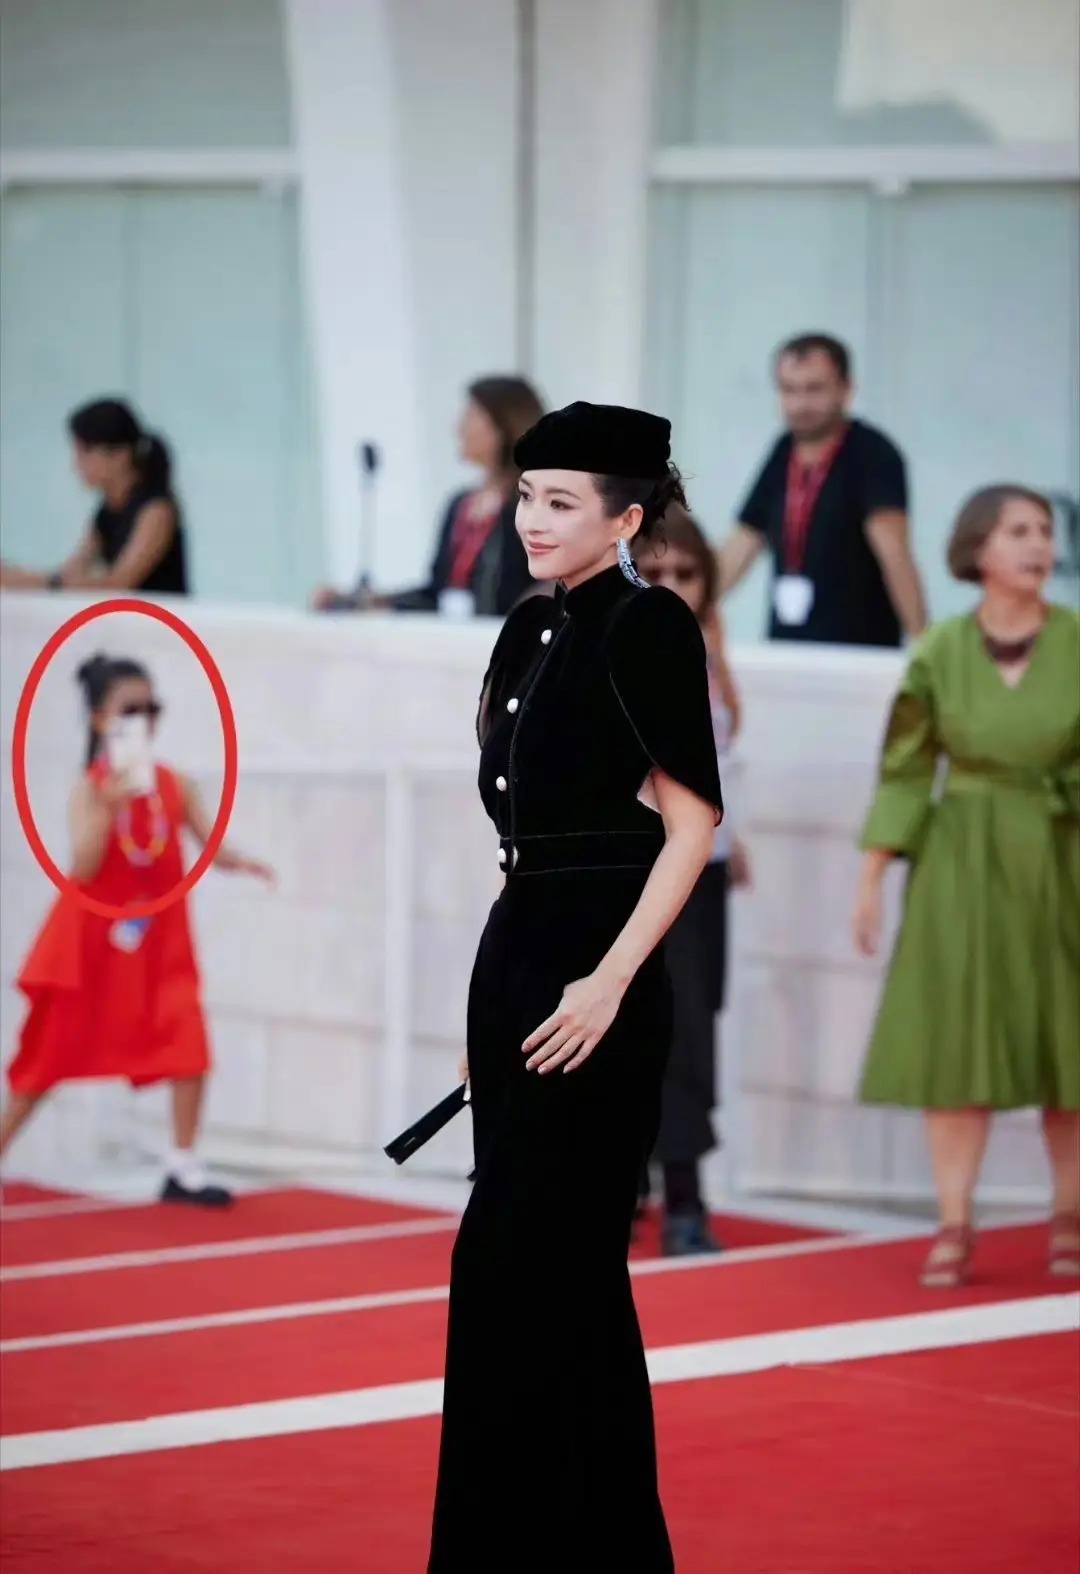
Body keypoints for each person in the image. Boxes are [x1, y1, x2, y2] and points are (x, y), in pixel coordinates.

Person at [428, 401, 723, 1572]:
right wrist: (489, 1006)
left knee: (528, 1265)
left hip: (602, 974)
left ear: (627, 519)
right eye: (526, 495)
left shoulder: (650, 626)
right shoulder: (525, 625)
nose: (532, 518)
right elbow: (517, 838)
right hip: (518, 961)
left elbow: (691, 827)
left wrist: (608, 981)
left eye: (561, 500)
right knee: (550, 1285)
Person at [852, 485, 1079, 1287]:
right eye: (1018, 530)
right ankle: (954, 1220)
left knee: (1069, 1040)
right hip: (961, 861)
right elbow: (906, 768)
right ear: (977, 548)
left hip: (1063, 855)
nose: (1037, 544)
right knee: (957, 1039)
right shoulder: (939, 650)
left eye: (1044, 531)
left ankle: (1069, 1214)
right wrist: (872, 878)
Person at [0, 654, 274, 1204]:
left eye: (152, 709)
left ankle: (182, 1164)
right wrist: (107, 806)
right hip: (91, 943)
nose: (144, 720)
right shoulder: (92, 788)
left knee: (187, 1039)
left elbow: (208, 841)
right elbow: (82, 865)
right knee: (48, 1056)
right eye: (131, 709)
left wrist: (242, 862)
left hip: (158, 941)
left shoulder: (175, 784)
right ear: (101, 718)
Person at [635, 507, 751, 1255]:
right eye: (656, 572)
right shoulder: (622, 650)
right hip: (641, 870)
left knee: (693, 1028)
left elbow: (714, 762)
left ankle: (671, 1185)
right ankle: (674, 1196)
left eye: (687, 573)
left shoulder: (709, 648)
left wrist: (734, 842)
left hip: (703, 871)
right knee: (650, 1030)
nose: (673, 586)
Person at [716, 333, 926, 646]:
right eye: (789, 389)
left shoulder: (873, 453)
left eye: (814, 389)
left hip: (859, 651)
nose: (800, 404)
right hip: (787, 648)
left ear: (846, 389)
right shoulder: (783, 450)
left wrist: (924, 644)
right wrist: (675, 612)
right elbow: (743, 542)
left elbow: (894, 554)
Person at [310, 375, 545, 617]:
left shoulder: (534, 505)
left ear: (503, 427)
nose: (458, 429)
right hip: (451, 636)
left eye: (471, 417)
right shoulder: (460, 505)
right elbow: (435, 594)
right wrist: (361, 602)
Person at [0, 398, 189, 596]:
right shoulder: (106, 512)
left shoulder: (156, 511)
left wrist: (42, 582)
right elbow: (73, 571)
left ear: (120, 456)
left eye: (85, 452)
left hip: (158, 616)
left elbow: (118, 583)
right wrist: (16, 576)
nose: (77, 464)